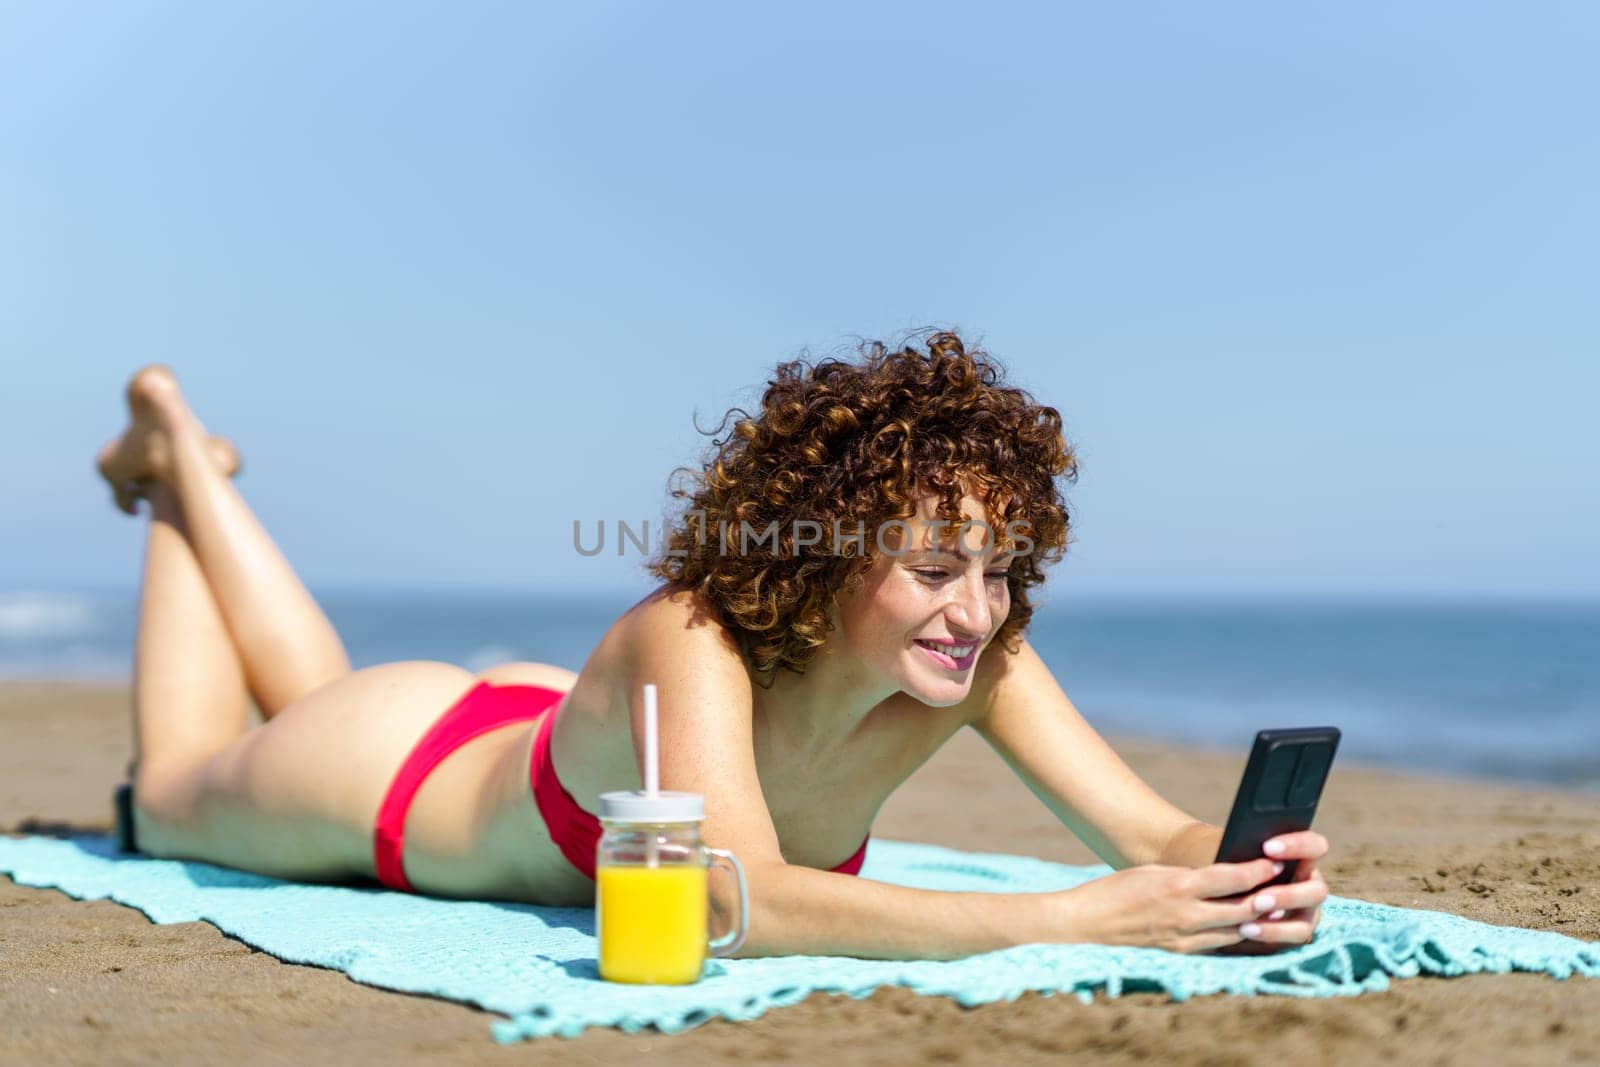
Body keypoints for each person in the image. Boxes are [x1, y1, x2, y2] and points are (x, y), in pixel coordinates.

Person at [95, 331, 1328, 961]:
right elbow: (732, 897)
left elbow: (1147, 833)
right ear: (821, 553)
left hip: (543, 727)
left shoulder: (972, 663)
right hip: (393, 772)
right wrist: (1070, 920)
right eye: (936, 566)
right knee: (172, 783)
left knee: (310, 683)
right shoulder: (688, 634)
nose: (977, 607)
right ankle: (178, 471)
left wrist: (1239, 877)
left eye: (1002, 569)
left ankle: (192, 472)